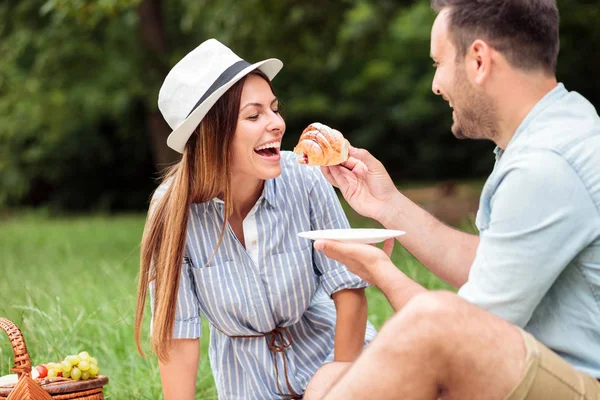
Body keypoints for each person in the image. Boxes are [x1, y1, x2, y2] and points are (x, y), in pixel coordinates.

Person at [304, 1, 600, 399]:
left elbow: (458, 336)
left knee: (433, 319)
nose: (436, 85)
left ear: (478, 60)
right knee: (326, 380)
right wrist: (387, 204)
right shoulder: (560, 125)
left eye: (438, 64)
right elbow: (492, 264)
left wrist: (380, 270)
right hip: (555, 368)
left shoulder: (544, 167)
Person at [133, 39, 376, 400]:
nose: (277, 124)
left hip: (337, 362)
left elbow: (349, 290)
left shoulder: (306, 177)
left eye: (275, 109)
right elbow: (178, 337)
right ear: (210, 134)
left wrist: (339, 385)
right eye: (254, 115)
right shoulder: (172, 213)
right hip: (249, 384)